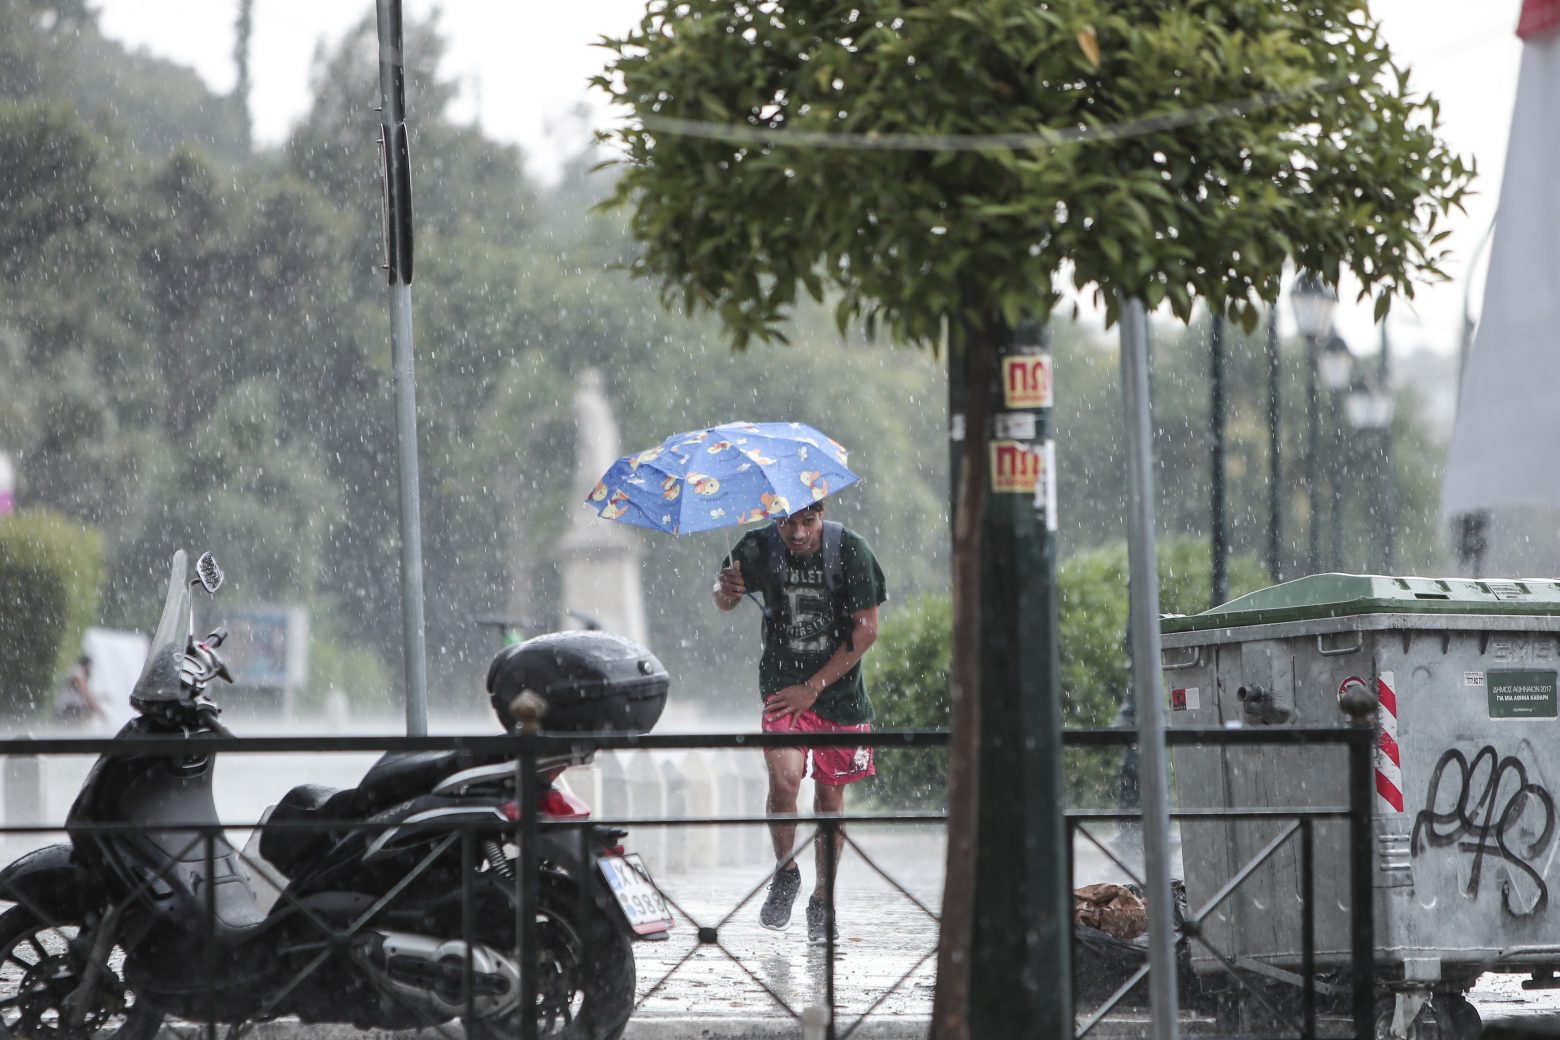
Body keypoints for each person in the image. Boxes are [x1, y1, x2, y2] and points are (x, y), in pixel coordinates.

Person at [712, 501, 887, 943]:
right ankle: (785, 871)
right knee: (784, 779)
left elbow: (867, 629)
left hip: (841, 697)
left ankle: (823, 898)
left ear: (821, 514)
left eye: (807, 521)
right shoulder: (757, 547)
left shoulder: (851, 550)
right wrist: (727, 591)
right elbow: (723, 600)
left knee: (830, 800)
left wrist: (814, 686)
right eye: (787, 522)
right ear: (774, 518)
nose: (797, 533)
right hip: (781, 687)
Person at [54, 655, 106, 723]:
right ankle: (79, 726)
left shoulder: (78, 673)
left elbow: (87, 694)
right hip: (65, 708)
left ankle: (81, 725)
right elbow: (85, 694)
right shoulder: (78, 673)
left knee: (91, 706)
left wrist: (100, 699)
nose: (91, 669)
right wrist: (100, 712)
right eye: (90, 667)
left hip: (68, 707)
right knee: (90, 707)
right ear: (87, 666)